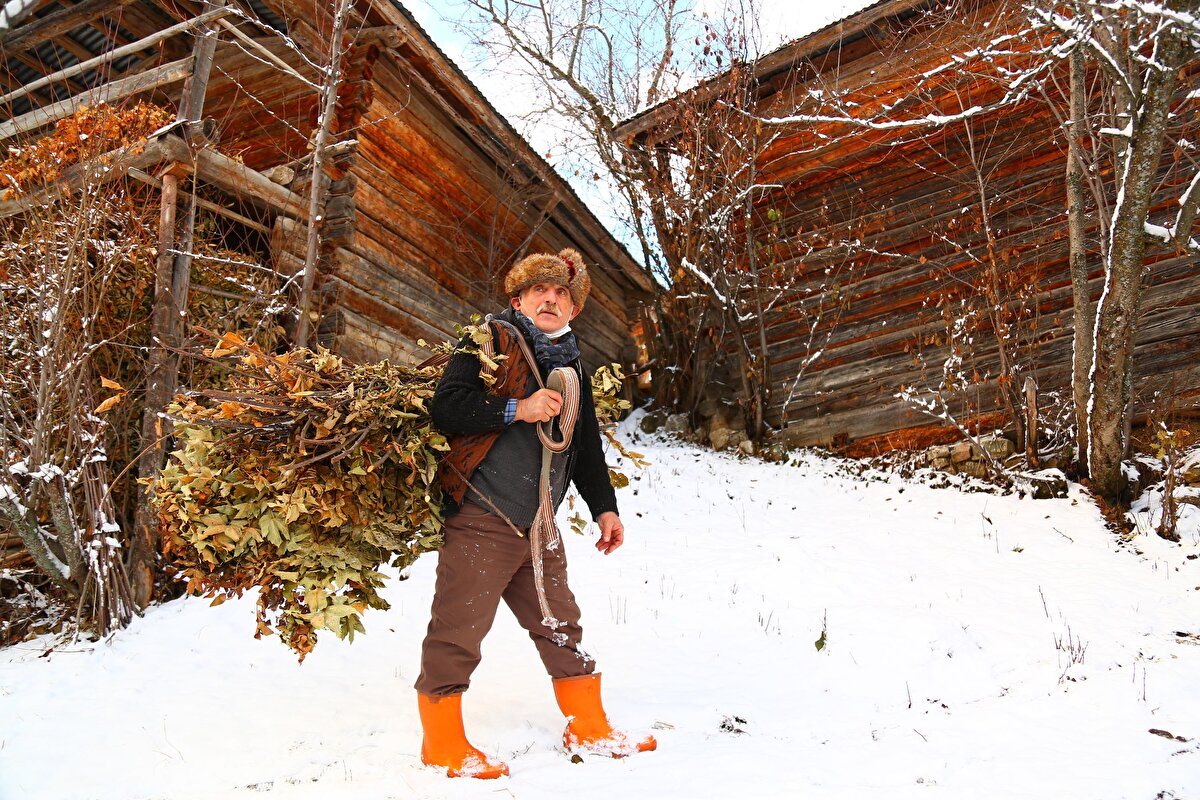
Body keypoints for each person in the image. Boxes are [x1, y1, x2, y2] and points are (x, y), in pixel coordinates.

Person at [415, 248, 656, 779]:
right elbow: (448, 405)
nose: (552, 298)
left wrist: (605, 508)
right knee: (459, 628)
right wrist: (517, 409)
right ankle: (442, 743)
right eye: (540, 290)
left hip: (539, 523)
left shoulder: (572, 365)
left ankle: (588, 726)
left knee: (560, 624)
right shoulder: (489, 340)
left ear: (573, 310)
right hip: (483, 511)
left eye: (562, 293)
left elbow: (584, 445)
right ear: (518, 299)